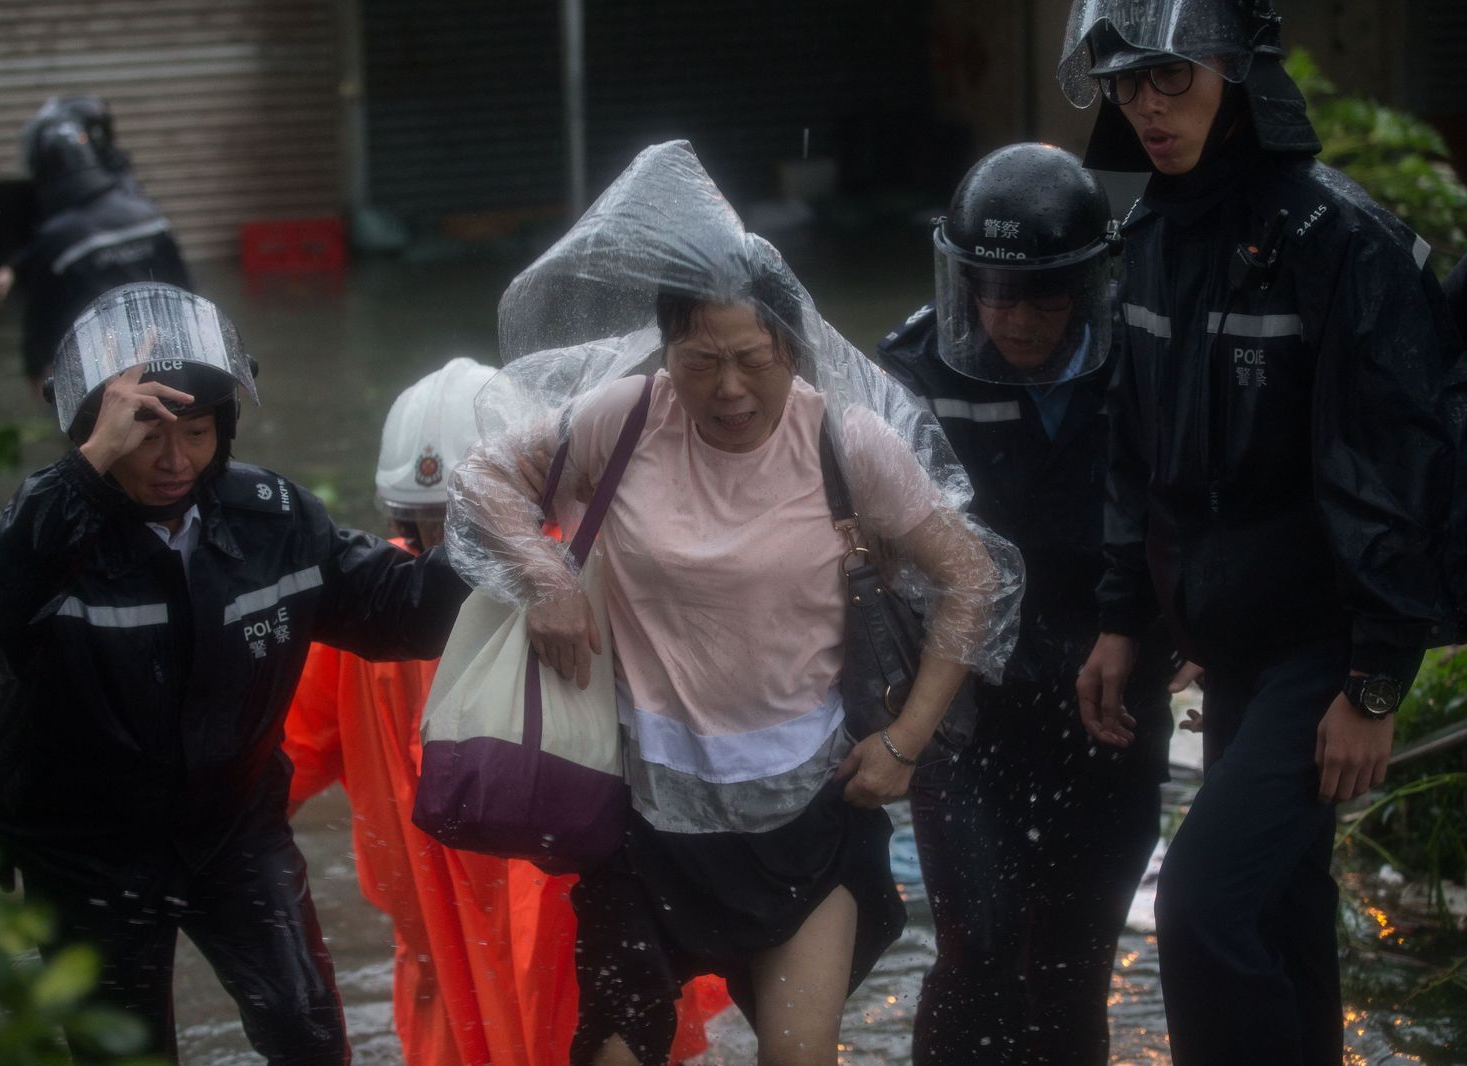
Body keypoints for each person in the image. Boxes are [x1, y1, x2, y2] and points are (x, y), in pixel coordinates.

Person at [448, 140, 1021, 1066]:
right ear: (664, 347)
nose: (728, 389)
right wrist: (545, 579)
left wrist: (908, 739)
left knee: (797, 1057)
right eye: (699, 358)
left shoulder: (844, 442)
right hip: (641, 819)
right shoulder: (623, 420)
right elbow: (483, 480)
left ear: (791, 346)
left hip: (806, 819)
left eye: (752, 359)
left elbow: (972, 578)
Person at [1057, 2, 1460, 1062]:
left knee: (1199, 905)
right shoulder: (1150, 234)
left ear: (1235, 73)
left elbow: (1393, 472)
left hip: (1320, 647)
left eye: (1171, 79)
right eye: (1124, 82)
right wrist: (1120, 619)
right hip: (1227, 642)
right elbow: (1134, 450)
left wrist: (1374, 682)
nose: (1147, 106)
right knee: (1278, 900)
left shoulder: (1338, 244)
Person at [0, 283, 471, 1064]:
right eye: (146, 435)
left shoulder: (274, 520)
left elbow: (401, 611)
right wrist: (87, 470)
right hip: (83, 847)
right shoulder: (49, 530)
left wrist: (497, 536)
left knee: (307, 1031)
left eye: (197, 431)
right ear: (99, 432)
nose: (176, 459)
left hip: (232, 826)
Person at [281, 356, 731, 1065]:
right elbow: (270, 776)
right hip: (447, 977)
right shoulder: (357, 635)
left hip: (576, 959)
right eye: (425, 531)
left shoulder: (590, 596)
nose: (442, 559)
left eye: (464, 532)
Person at [876, 142, 1179, 1065]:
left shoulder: (1151, 359)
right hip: (966, 709)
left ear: (1091, 283)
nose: (1010, 318)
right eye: (988, 290)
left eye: (1042, 294)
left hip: (1114, 697)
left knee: (1074, 965)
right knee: (982, 941)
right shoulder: (912, 370)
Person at [0, 97, 191, 397]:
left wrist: (35, 370)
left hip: (103, 367)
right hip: (169, 356)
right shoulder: (145, 213)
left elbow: (40, 318)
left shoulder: (59, 237)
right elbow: (186, 290)